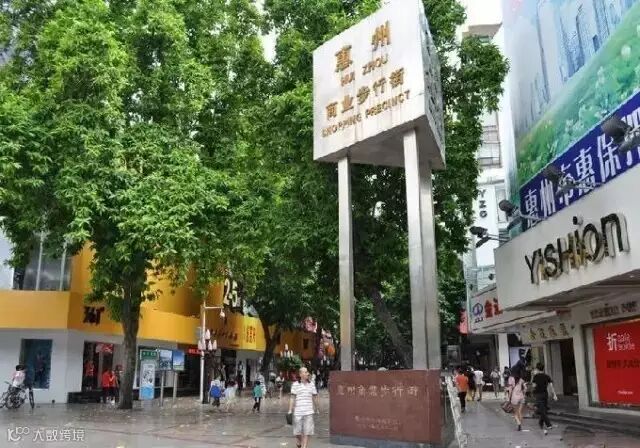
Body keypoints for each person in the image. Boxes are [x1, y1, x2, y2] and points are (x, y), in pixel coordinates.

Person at [288, 367, 319, 448]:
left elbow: (315, 397)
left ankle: (303, 446)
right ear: (300, 374)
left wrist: (317, 408)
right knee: (297, 432)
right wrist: (290, 410)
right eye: (305, 372)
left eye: (307, 372)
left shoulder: (311, 384)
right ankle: (299, 440)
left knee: (307, 432)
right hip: (298, 412)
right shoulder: (295, 384)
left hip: (309, 412)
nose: (307, 374)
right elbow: (292, 398)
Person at [531, 363, 558, 436]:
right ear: (543, 368)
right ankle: (541, 423)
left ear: (537, 369)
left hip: (538, 394)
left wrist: (533, 378)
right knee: (544, 409)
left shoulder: (536, 376)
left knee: (542, 410)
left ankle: (548, 424)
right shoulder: (547, 376)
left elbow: (533, 386)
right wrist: (554, 395)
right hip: (545, 394)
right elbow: (551, 386)